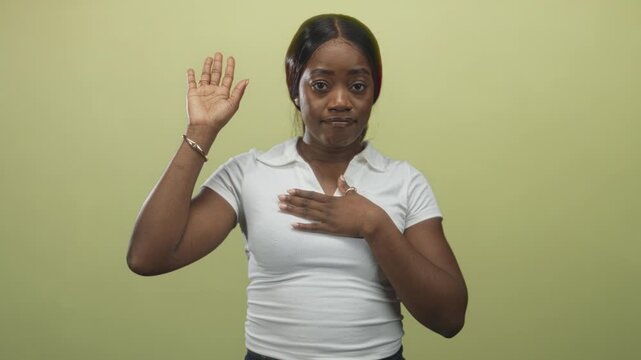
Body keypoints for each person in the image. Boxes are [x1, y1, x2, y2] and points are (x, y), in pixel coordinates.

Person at [127, 13, 468, 360]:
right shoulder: (251, 172)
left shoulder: (404, 181)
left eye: (358, 86)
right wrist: (202, 130)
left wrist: (375, 225)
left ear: (373, 93)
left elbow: (450, 317)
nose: (340, 101)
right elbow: (147, 256)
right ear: (295, 89)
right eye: (320, 85)